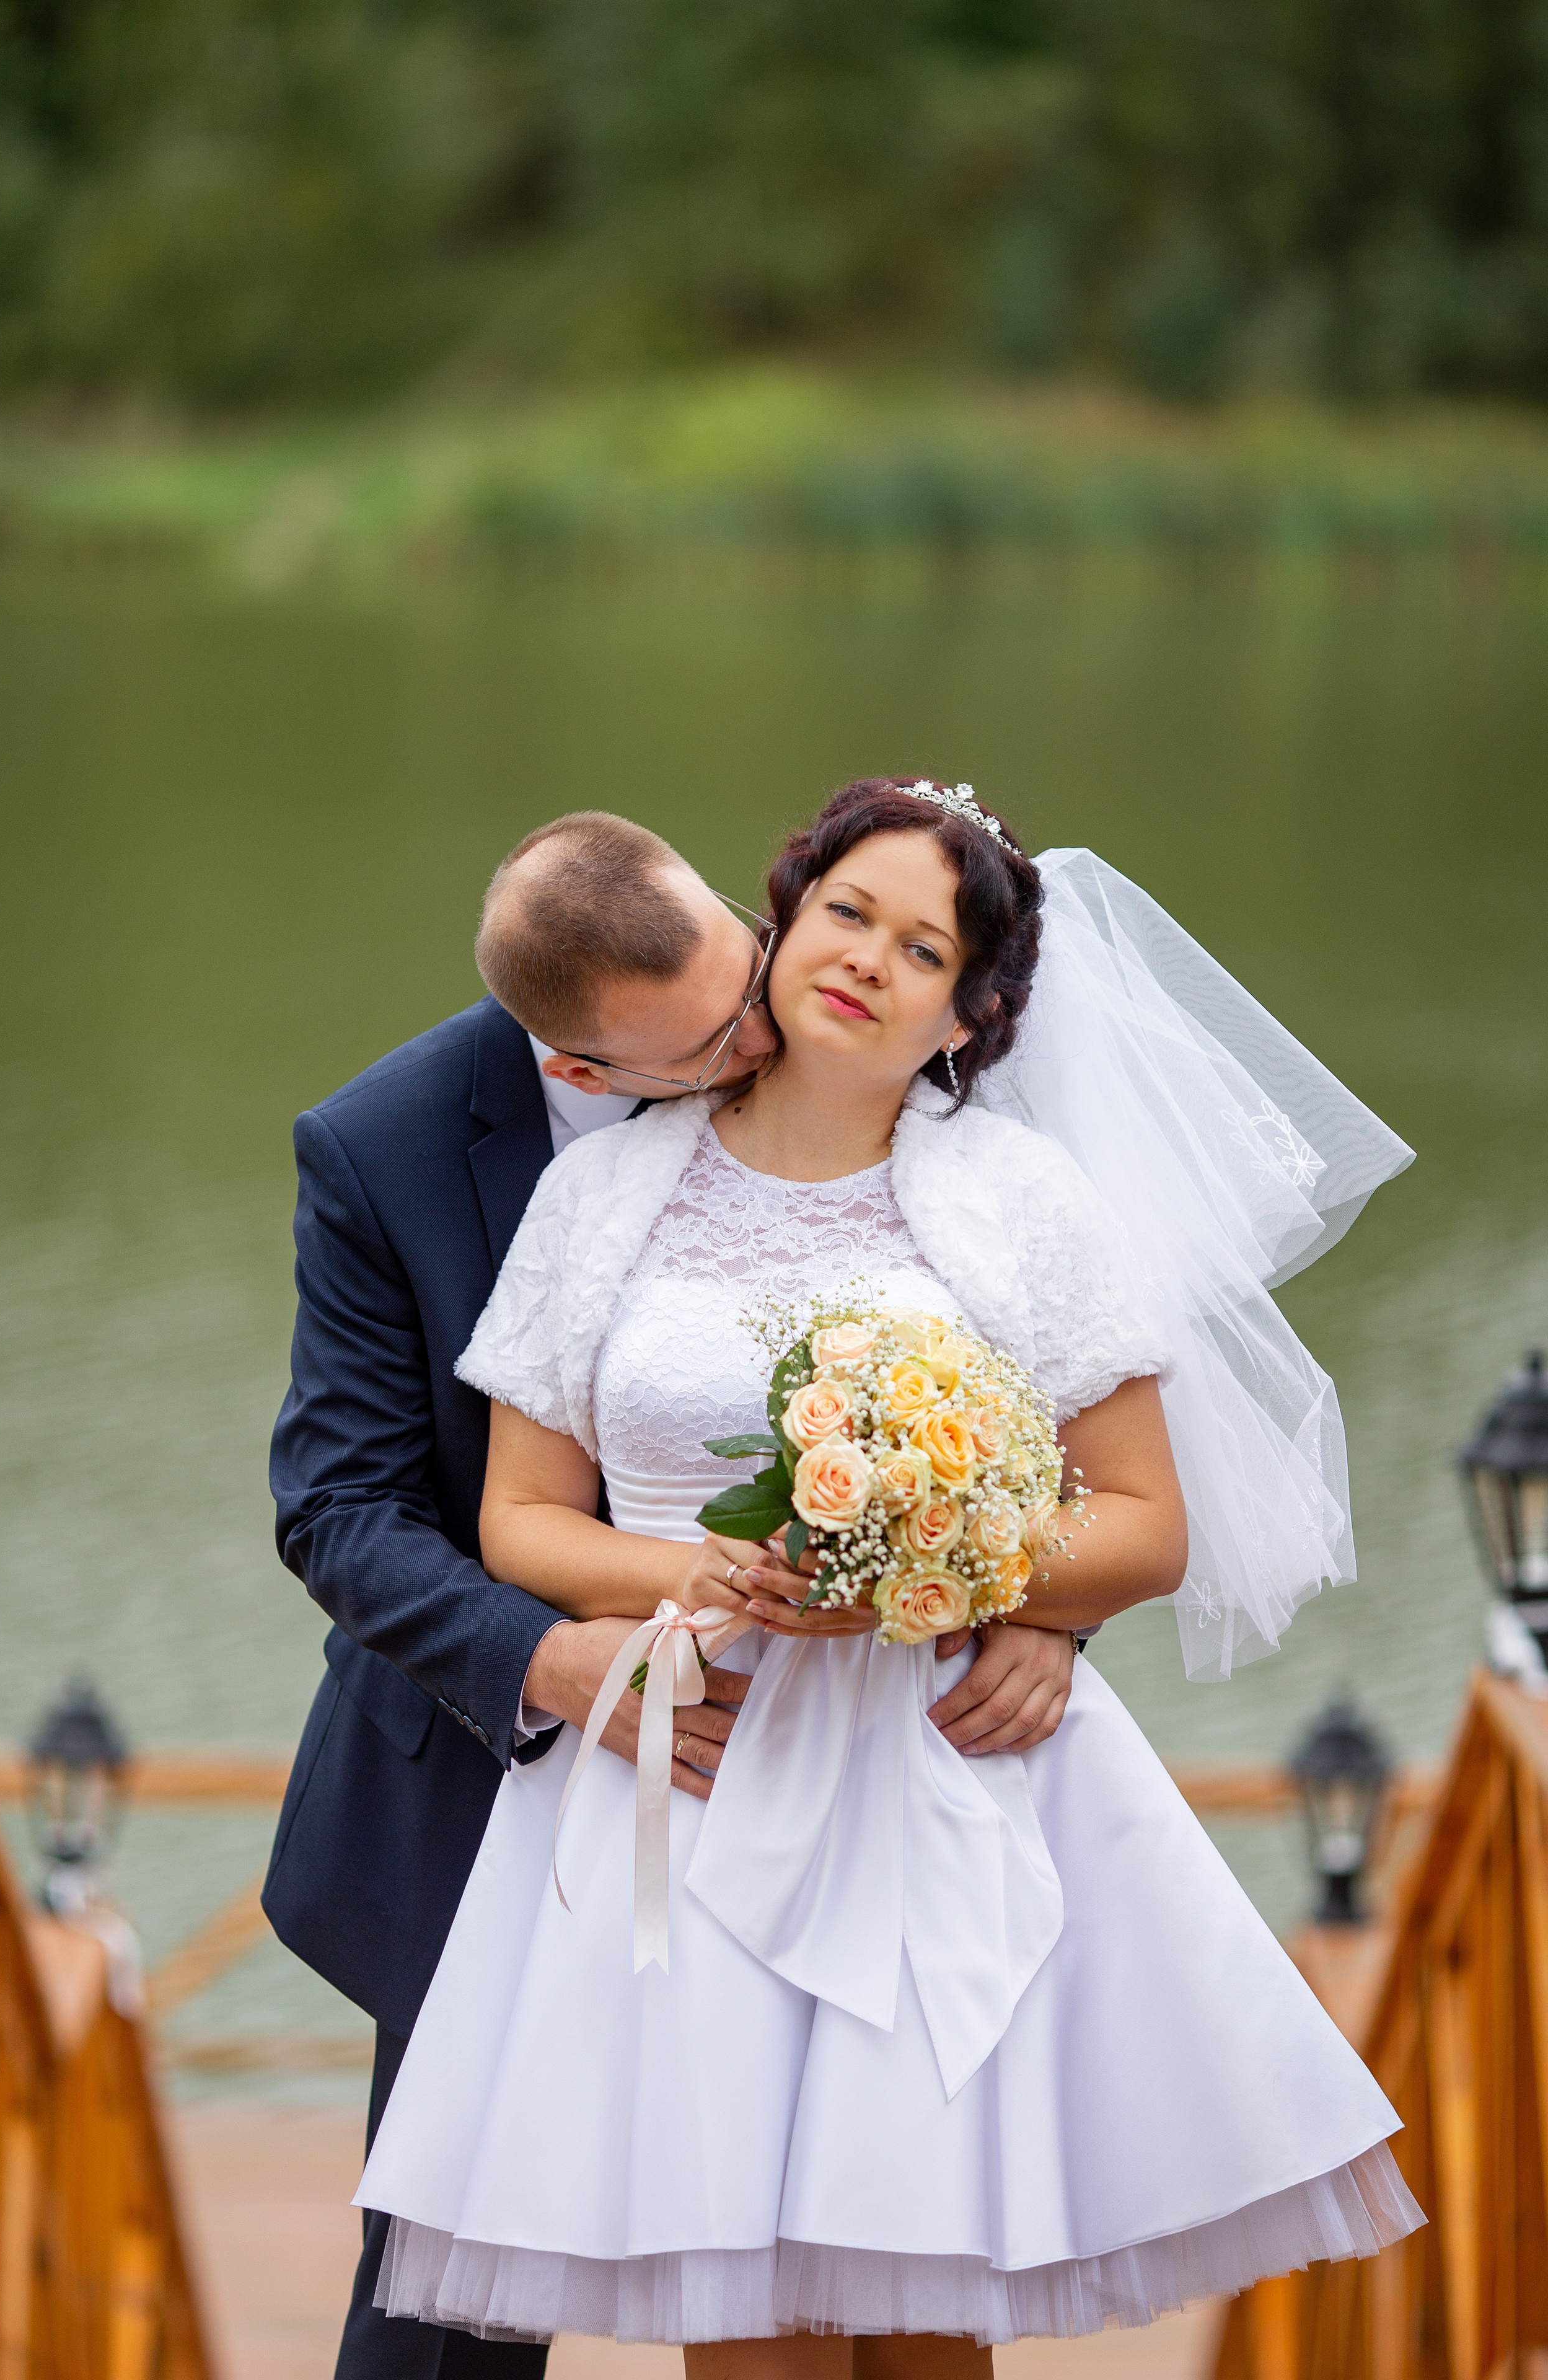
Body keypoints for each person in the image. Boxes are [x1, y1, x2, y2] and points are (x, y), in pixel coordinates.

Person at [353, 779, 1423, 2375]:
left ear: (959, 1020)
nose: (867, 956)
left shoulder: (1019, 1206)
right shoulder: (601, 1196)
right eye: (847, 910)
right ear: (777, 927)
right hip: (691, 1774)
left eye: (921, 948)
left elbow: (1140, 1526)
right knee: (746, 2333)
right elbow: (519, 1522)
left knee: (928, 2325)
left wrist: (944, 1588)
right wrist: (698, 1580)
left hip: (941, 1784)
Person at [262, 809, 1080, 2380]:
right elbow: (342, 1512)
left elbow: (1034, 1357)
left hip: (855, 1780)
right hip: (484, 1754)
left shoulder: (825, 984)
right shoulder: (384, 1149)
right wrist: (561, 1664)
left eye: (752, 967)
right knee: (454, 2304)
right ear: (588, 1071)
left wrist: (1035, 1595)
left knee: (873, 2246)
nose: (766, 1023)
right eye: (711, 1038)